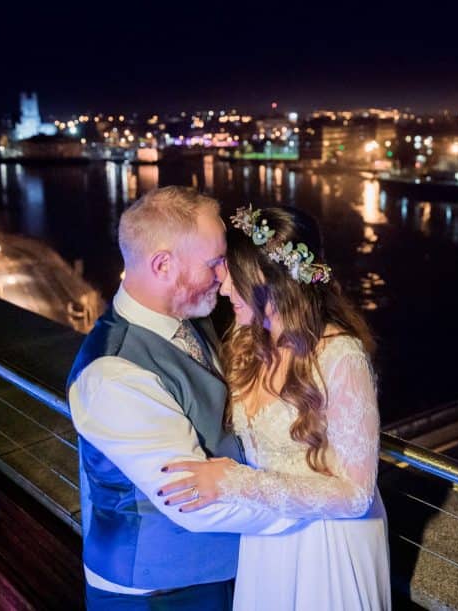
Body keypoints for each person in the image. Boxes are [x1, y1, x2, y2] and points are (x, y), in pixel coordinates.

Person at [67, 187, 300, 610]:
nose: (224, 275)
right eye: (214, 263)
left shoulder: (190, 315)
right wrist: (311, 508)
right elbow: (193, 502)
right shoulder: (112, 374)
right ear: (163, 264)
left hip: (209, 576)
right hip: (158, 593)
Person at [159, 205, 391, 610]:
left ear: (268, 281)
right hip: (267, 537)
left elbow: (355, 495)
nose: (224, 288)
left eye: (231, 274)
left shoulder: (340, 357)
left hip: (328, 544)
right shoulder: (246, 345)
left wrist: (233, 483)